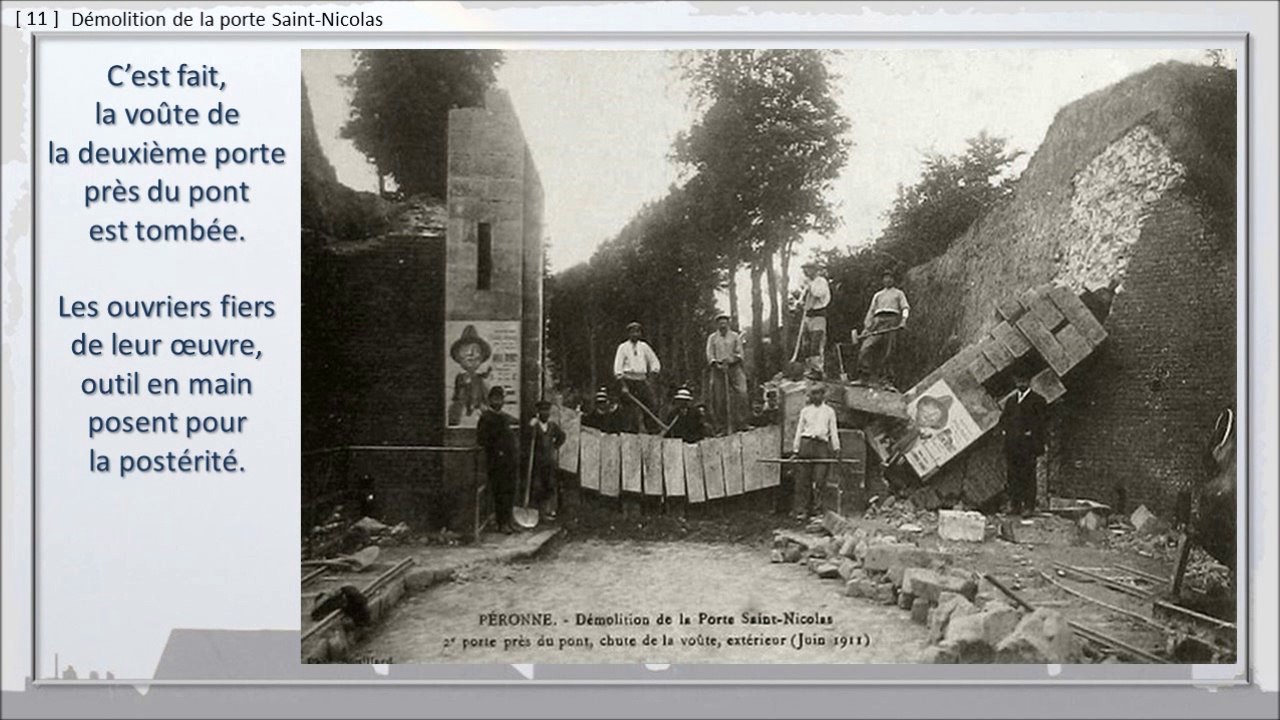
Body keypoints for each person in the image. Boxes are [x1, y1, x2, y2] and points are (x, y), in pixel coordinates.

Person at [1000, 370, 1048, 517]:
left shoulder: (1038, 400)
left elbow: (1041, 423)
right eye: (1018, 381)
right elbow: (1003, 420)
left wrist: (1032, 437)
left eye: (1024, 381)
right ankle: (1014, 504)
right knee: (1013, 475)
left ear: (1029, 382)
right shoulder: (1011, 401)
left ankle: (1028, 506)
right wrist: (1004, 430)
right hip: (1012, 446)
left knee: (1027, 476)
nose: (1021, 383)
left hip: (1027, 447)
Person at [791, 382, 841, 520]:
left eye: (818, 393)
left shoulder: (829, 411)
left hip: (821, 447)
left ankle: (817, 511)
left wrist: (836, 448)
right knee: (803, 480)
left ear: (823, 395)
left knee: (819, 480)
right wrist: (796, 450)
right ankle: (802, 510)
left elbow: (833, 431)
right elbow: (799, 431)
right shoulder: (805, 411)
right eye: (813, 393)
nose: (816, 396)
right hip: (806, 445)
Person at [476, 385, 519, 533]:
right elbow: (481, 439)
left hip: (509, 461)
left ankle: (508, 520)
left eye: (500, 399)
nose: (498, 401)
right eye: (495, 399)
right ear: (489, 400)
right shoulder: (486, 418)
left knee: (510, 491)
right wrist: (497, 450)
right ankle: (502, 523)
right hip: (496, 461)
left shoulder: (503, 417)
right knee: (500, 492)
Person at [857, 270, 910, 387]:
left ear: (894, 280)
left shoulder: (899, 293)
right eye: (885, 278)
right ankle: (863, 378)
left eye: (890, 277)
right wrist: (867, 327)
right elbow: (871, 312)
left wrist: (903, 321)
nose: (887, 280)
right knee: (865, 348)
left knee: (888, 351)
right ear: (882, 280)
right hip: (877, 321)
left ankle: (887, 381)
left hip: (892, 321)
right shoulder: (878, 295)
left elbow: (905, 308)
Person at [613, 321, 662, 433]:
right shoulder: (623, 347)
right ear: (628, 334)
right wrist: (623, 386)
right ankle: (630, 433)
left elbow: (655, 362)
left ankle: (653, 431)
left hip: (642, 380)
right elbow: (617, 367)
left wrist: (651, 377)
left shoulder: (644, 347)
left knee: (651, 405)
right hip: (628, 380)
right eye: (632, 332)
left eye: (637, 331)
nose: (635, 334)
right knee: (629, 410)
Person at [705, 313, 749, 434]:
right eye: (720, 323)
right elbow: (709, 354)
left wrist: (732, 360)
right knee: (719, 398)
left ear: (728, 324)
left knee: (742, 393)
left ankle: (742, 423)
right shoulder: (712, 338)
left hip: (734, 368)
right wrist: (715, 364)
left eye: (725, 322)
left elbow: (740, 353)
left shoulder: (735, 336)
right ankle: (722, 427)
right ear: (717, 325)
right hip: (718, 369)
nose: (722, 325)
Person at [527, 400, 566, 519]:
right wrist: (530, 426)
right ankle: (537, 511)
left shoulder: (552, 426)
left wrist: (554, 446)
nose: (545, 413)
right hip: (537, 461)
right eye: (542, 410)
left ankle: (548, 510)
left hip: (549, 460)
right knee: (537, 485)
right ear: (538, 412)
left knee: (550, 485)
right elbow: (528, 439)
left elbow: (562, 436)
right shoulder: (534, 426)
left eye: (547, 410)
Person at [447, 324, 492, 426]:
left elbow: (483, 383)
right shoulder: (461, 377)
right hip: (463, 406)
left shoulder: (479, 378)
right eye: (466, 353)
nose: (472, 354)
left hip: (479, 406)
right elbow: (458, 393)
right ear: (459, 358)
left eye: (476, 355)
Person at [797, 261, 832, 377]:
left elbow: (818, 293)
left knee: (816, 343)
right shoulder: (808, 283)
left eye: (808, 269)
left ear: (814, 270)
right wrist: (799, 303)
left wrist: (809, 286)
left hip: (818, 315)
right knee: (806, 344)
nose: (806, 272)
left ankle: (818, 370)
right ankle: (810, 369)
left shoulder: (821, 281)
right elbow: (802, 300)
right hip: (808, 316)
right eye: (804, 269)